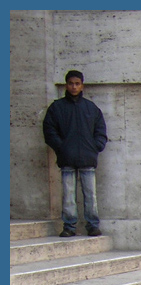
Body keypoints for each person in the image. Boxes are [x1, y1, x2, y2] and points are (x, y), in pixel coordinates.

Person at [43, 69, 108, 237]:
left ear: (82, 86)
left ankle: (92, 225)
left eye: (77, 84)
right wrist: (62, 147)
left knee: (90, 195)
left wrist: (96, 146)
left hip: (88, 157)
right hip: (67, 158)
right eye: (71, 83)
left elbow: (100, 129)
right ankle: (69, 226)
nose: (74, 87)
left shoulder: (91, 108)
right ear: (66, 85)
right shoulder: (57, 108)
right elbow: (49, 131)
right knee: (68, 196)